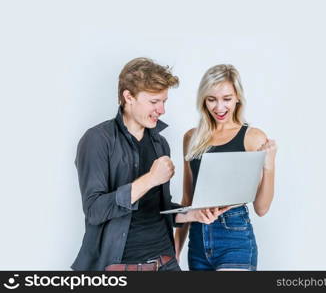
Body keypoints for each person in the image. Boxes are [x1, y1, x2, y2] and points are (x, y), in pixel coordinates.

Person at [71, 57, 230, 271]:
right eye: (154, 102)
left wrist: (191, 214)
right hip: (119, 267)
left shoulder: (159, 143)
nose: (162, 110)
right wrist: (150, 180)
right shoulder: (97, 140)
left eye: (164, 101)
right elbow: (94, 210)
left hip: (166, 264)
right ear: (128, 97)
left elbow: (159, 209)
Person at [174, 64, 277, 271]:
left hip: (234, 236)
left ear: (238, 97)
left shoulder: (253, 138)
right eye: (212, 99)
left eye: (227, 99)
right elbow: (187, 200)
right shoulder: (191, 138)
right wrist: (175, 252)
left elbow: (262, 208)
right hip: (197, 240)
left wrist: (269, 166)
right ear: (203, 100)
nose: (219, 108)